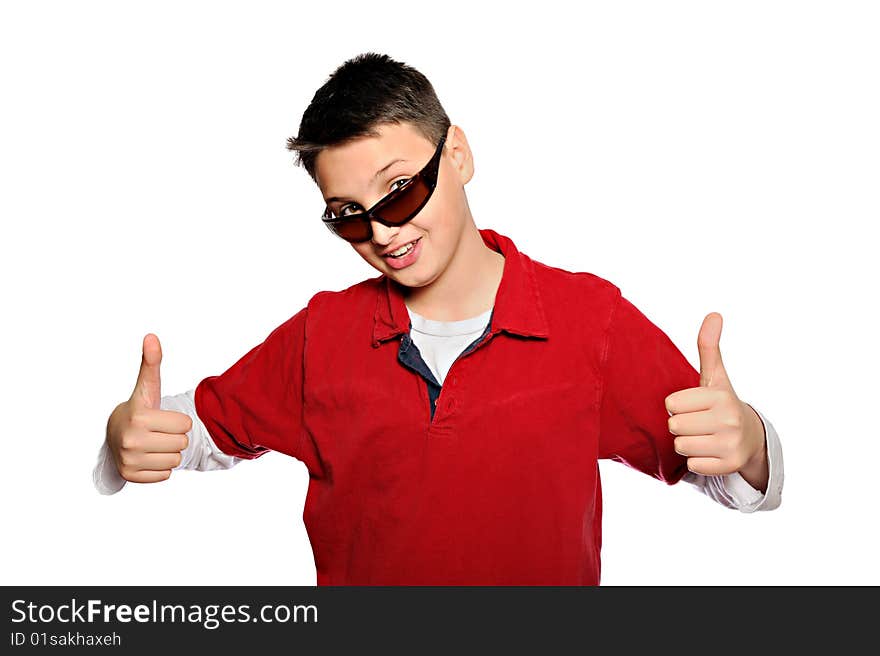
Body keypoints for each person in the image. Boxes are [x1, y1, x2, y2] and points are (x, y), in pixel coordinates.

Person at [94, 52, 783, 585]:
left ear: (457, 155)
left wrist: (748, 440)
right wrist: (124, 435)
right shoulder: (323, 334)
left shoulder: (587, 320)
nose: (382, 233)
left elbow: (722, 468)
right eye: (347, 215)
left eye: (398, 191)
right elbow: (197, 429)